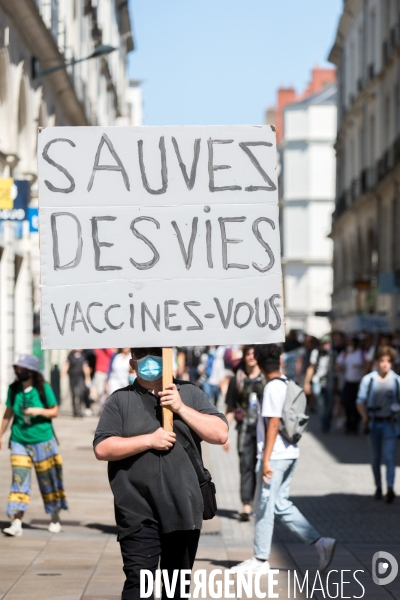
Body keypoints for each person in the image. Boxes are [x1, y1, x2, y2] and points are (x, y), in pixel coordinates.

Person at [93, 347, 228, 600]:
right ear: (132, 362)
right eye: (142, 353)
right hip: (137, 510)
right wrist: (148, 441)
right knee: (139, 583)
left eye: (156, 352)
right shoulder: (120, 400)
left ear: (169, 358)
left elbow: (220, 434)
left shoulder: (189, 392)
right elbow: (102, 448)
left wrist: (181, 408)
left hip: (182, 510)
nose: (149, 358)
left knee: (174, 589)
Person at [231, 344, 335, 575]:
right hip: (290, 452)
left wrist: (265, 459)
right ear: (279, 361)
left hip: (275, 456)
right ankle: (320, 543)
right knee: (280, 504)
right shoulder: (287, 383)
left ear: (258, 362)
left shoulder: (270, 389)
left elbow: (273, 425)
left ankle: (260, 559)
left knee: (264, 507)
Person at [0, 354, 68, 536]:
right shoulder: (13, 389)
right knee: (19, 479)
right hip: (19, 441)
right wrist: (0, 434)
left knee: (49, 480)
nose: (18, 371)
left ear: (32, 371)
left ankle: (54, 517)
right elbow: (8, 413)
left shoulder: (43, 388)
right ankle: (16, 522)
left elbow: (54, 411)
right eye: (17, 368)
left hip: (43, 441)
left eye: (22, 369)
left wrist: (38, 411)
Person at [223, 345, 265, 521]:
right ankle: (246, 504)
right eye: (248, 353)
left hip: (264, 430)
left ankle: (261, 504)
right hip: (244, 430)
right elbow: (230, 408)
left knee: (262, 468)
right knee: (246, 466)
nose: (251, 357)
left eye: (254, 354)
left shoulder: (266, 379)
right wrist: (224, 433)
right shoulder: (237, 380)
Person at [356, 346, 400, 503]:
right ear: (377, 362)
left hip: (390, 424)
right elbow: (360, 401)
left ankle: (390, 488)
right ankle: (378, 487)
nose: (385, 364)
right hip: (374, 423)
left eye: (388, 361)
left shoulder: (396, 381)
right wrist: (364, 416)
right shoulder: (369, 380)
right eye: (382, 361)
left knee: (389, 457)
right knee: (375, 458)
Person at [336, 337, 365, 433]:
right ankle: (348, 424)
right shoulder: (344, 354)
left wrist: (361, 367)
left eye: (351, 344)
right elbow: (336, 365)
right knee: (347, 404)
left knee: (357, 405)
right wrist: (340, 367)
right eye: (348, 344)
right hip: (347, 383)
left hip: (359, 383)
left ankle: (355, 425)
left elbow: (368, 364)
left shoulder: (362, 353)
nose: (350, 346)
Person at [304, 338, 332, 432]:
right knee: (321, 403)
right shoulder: (316, 352)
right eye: (325, 343)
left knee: (329, 404)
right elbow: (311, 367)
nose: (326, 345)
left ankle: (327, 421)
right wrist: (307, 382)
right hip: (317, 380)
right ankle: (324, 424)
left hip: (329, 381)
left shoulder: (333, 353)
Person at [61, 349, 92, 417]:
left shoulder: (83, 355)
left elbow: (85, 366)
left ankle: (80, 410)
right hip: (72, 376)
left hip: (80, 376)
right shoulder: (70, 354)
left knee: (80, 393)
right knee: (73, 394)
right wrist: (63, 372)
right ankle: (75, 411)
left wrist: (87, 377)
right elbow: (67, 364)